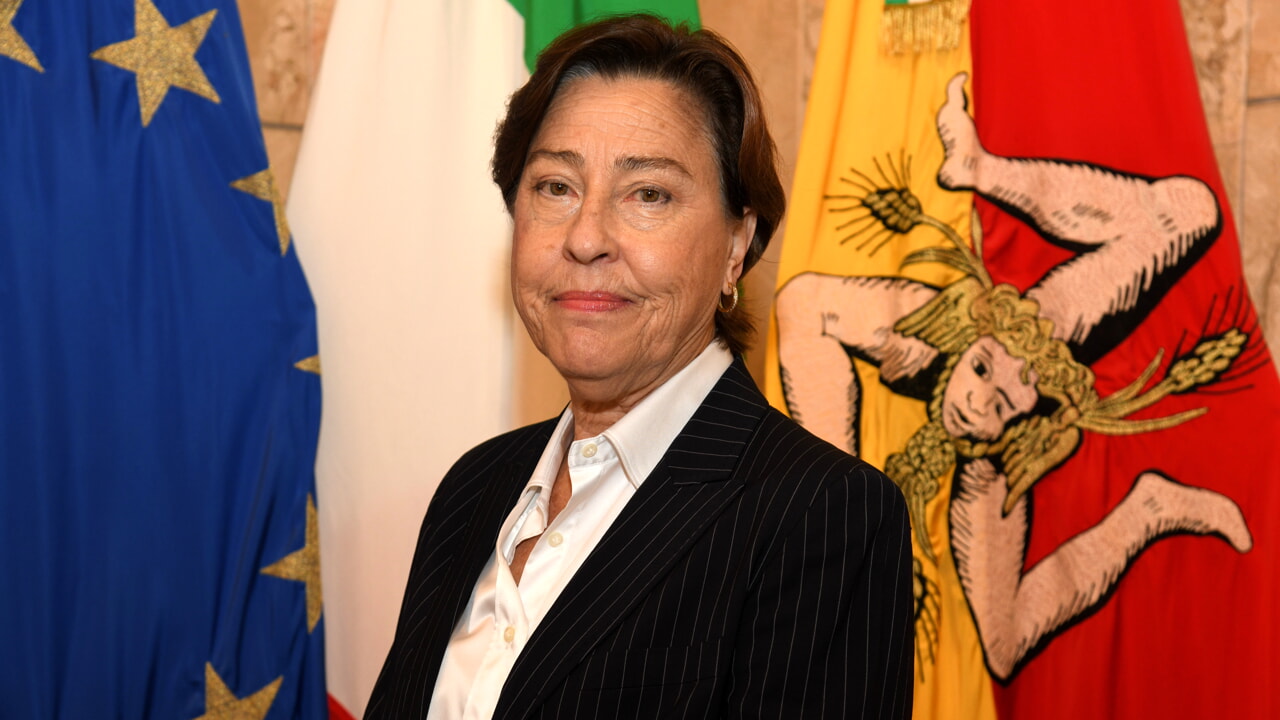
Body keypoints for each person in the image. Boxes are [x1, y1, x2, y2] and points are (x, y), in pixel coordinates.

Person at [365, 15, 914, 720]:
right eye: (555, 187)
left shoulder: (819, 514)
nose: (586, 237)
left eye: (648, 194)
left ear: (736, 246)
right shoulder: (473, 488)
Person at [775, 73, 1252, 680]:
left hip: (1022, 397)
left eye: (999, 404)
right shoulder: (935, 324)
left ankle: (1149, 509)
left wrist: (1013, 410)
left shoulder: (1005, 435)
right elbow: (802, 304)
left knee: (1002, 644)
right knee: (813, 304)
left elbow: (1188, 212)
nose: (977, 404)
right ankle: (975, 168)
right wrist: (840, 502)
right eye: (981, 373)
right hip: (983, 334)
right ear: (970, 343)